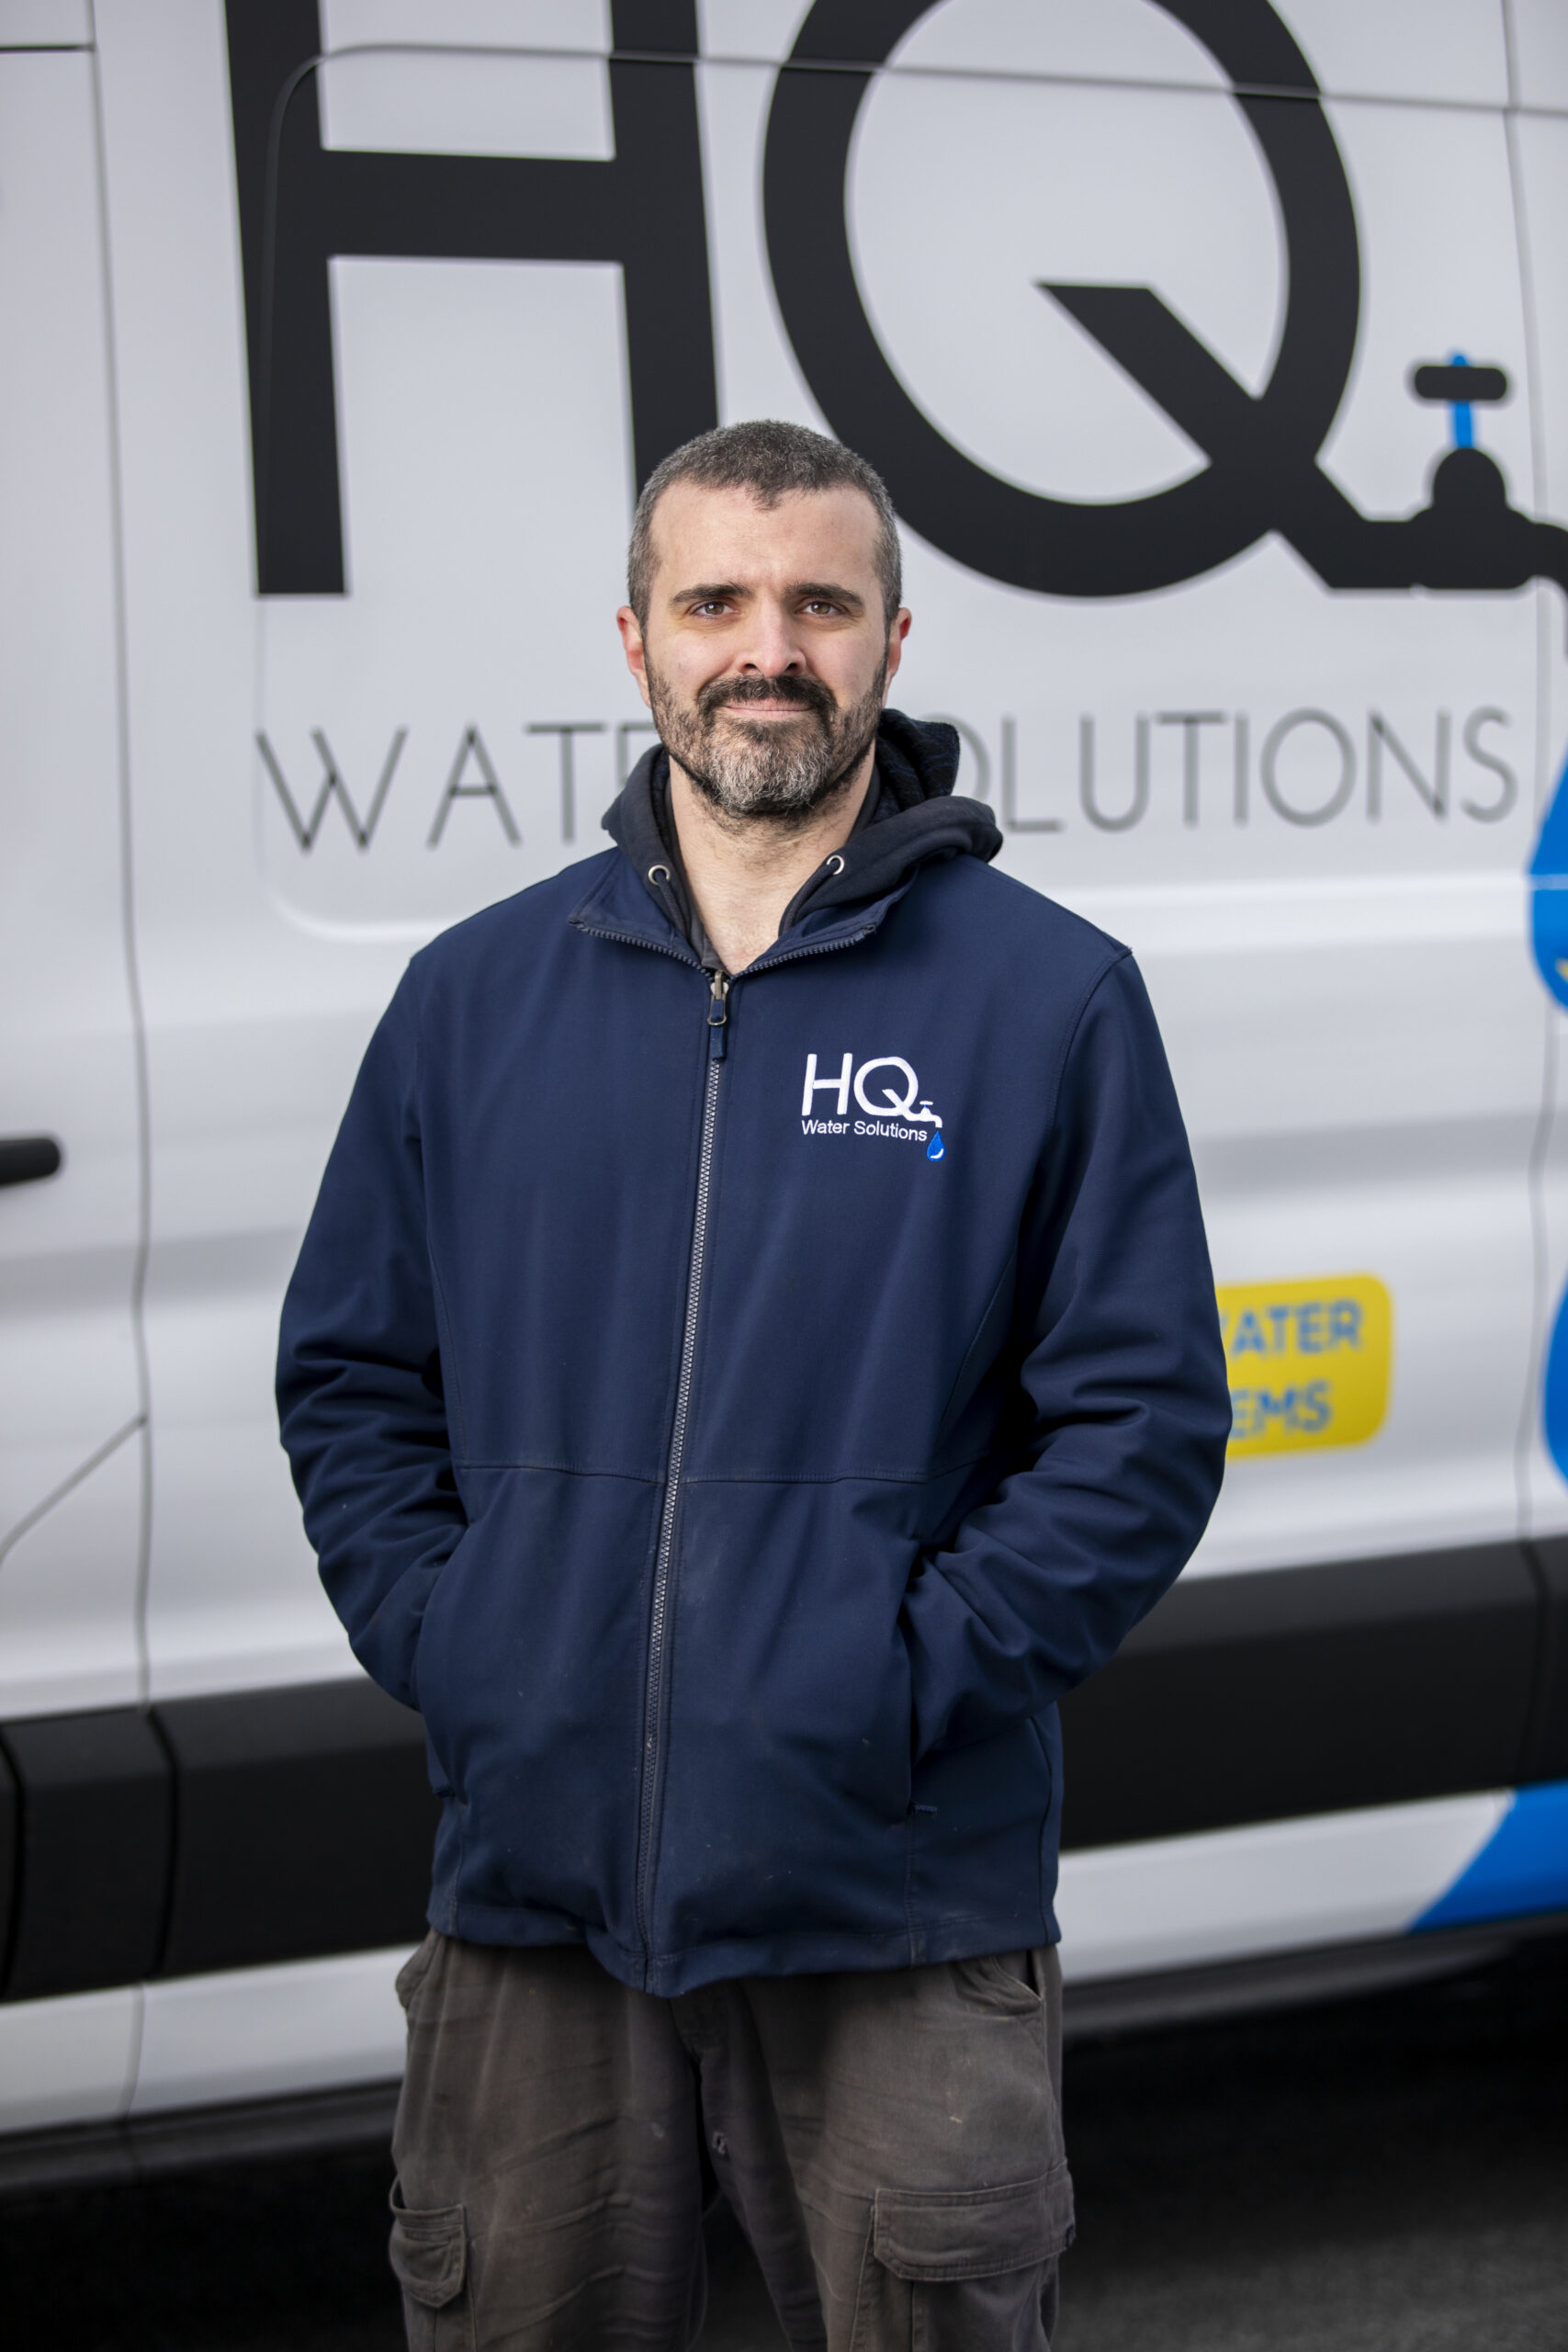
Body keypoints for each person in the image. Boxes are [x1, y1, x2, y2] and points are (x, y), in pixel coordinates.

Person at [277, 420, 1230, 2349]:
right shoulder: (473, 999)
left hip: (896, 1893)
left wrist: (888, 1682)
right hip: (534, 1893)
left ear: (894, 638)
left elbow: (1141, 1426)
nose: (766, 649)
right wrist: (478, 1649)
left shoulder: (1044, 998)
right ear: (636, 637)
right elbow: (355, 1375)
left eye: (818, 603)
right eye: (715, 601)